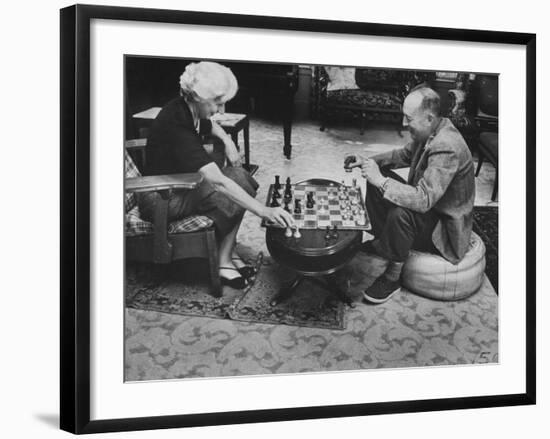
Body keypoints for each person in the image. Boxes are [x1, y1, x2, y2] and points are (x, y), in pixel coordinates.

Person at [139, 61, 294, 289]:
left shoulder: (185, 107)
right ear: (198, 97)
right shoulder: (177, 123)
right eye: (217, 104)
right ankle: (224, 260)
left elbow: (208, 126)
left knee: (241, 178)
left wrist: (228, 141)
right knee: (237, 181)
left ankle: (226, 253)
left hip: (178, 187)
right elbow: (219, 182)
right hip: (160, 199)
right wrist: (264, 211)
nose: (220, 111)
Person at [346, 86, 475, 304]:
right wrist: (368, 161)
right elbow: (402, 154)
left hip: (442, 228)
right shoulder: (431, 130)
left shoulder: (447, 146)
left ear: (428, 118)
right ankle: (383, 242)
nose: (404, 124)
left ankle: (392, 277)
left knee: (400, 210)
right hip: (430, 211)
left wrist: (380, 180)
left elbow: (423, 200)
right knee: (381, 179)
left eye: (408, 119)